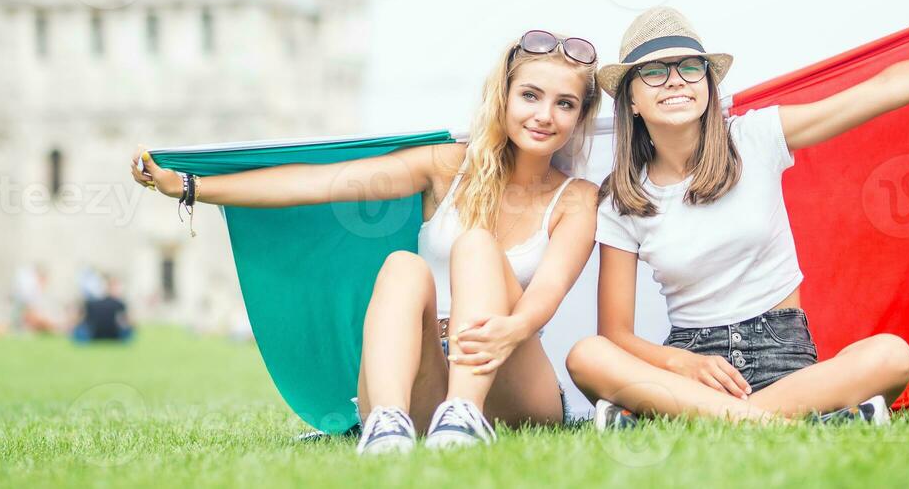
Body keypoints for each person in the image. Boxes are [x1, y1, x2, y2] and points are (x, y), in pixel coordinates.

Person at [568, 0, 909, 427]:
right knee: (587, 356)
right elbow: (615, 334)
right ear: (630, 99)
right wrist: (683, 363)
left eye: (689, 68)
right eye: (654, 72)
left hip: (785, 358)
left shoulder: (755, 137)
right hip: (692, 364)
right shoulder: (621, 200)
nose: (675, 81)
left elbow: (885, 89)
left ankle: (711, 419)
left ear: (707, 85)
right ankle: (782, 422)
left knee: (892, 356)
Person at [131, 29, 602, 453]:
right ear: (503, 98)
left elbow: (548, 291)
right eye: (531, 96)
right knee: (402, 265)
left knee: (475, 246)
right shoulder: (446, 165)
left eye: (565, 103)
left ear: (580, 116)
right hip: (426, 372)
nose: (545, 115)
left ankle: (465, 416)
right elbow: (321, 182)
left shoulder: (576, 199)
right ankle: (387, 426)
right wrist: (191, 186)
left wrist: (511, 331)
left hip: (511, 376)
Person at [73, 275, 133, 342]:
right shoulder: (119, 304)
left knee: (81, 327)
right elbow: (125, 322)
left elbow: (84, 321)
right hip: (114, 336)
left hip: (94, 336)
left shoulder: (91, 304)